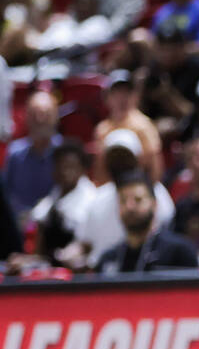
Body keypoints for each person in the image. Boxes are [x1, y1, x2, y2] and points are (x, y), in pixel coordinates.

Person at [72, 129, 176, 269]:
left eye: (125, 156)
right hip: (105, 273)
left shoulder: (156, 191)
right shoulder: (98, 197)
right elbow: (85, 243)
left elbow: (168, 232)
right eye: (114, 158)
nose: (120, 163)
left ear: (137, 158)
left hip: (148, 269)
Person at [96, 172, 199, 274]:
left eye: (138, 200)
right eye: (123, 200)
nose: (129, 207)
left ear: (154, 204)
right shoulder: (109, 258)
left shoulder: (179, 252)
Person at [29, 139, 97, 262]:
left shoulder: (91, 198)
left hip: (77, 265)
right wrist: (32, 261)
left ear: (82, 169)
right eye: (61, 166)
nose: (65, 172)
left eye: (71, 167)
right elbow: (38, 220)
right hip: (52, 263)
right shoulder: (55, 193)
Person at [1, 89, 60, 224]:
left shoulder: (65, 153)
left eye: (46, 114)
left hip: (54, 227)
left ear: (56, 117)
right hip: (19, 226)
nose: (40, 119)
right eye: (35, 114)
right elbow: (6, 195)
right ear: (26, 117)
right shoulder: (14, 153)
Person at [94, 71, 164, 183]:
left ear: (135, 97)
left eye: (127, 92)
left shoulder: (144, 125)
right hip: (113, 186)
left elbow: (155, 165)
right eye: (117, 93)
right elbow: (101, 167)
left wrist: (150, 191)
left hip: (140, 184)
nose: (122, 98)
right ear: (107, 98)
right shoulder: (102, 129)